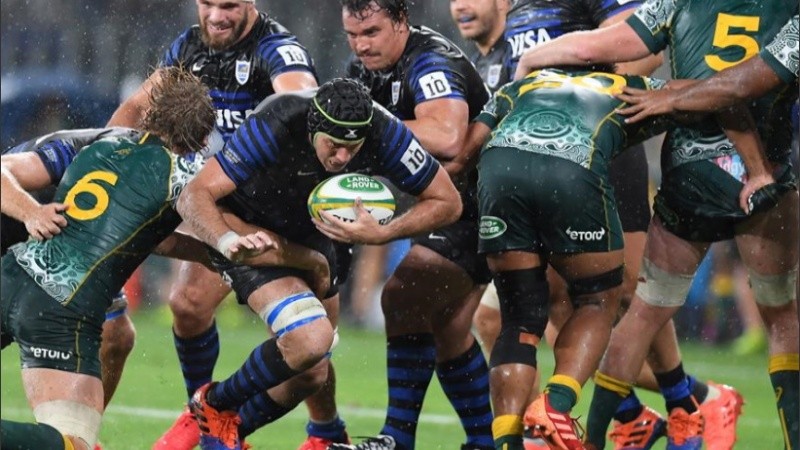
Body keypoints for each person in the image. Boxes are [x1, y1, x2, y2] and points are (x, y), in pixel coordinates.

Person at [514, 3, 799, 449]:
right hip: (763, 177)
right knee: (782, 314)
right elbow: (749, 80)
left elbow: (604, 43)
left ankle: (596, 442)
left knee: (644, 311)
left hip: (692, 172)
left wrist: (539, 55)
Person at [174, 77, 461, 450]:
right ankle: (212, 405)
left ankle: (241, 431)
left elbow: (448, 202)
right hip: (251, 232)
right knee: (309, 339)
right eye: (334, 146)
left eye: (352, 148)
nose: (343, 158)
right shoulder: (277, 121)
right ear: (313, 128)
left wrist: (383, 233)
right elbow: (195, 195)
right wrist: (228, 241)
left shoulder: (383, 131)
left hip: (317, 237)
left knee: (311, 372)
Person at [105, 1, 341, 449]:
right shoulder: (189, 48)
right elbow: (137, 106)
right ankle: (208, 422)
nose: (216, 16)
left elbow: (303, 100)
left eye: (229, 5)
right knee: (188, 304)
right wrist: (105, 163)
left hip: (292, 218)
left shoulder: (277, 50)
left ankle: (326, 430)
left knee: (313, 364)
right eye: (207, 4)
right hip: (229, 209)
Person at [0, 67, 216, 450]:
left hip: (11, 272)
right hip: (58, 310)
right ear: (201, 139)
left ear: (148, 115)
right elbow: (214, 225)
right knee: (73, 445)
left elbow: (159, 241)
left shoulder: (99, 139)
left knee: (119, 334)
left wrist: (33, 213)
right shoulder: (187, 174)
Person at [332, 1, 495, 449]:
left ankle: (398, 438)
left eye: (371, 32)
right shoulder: (366, 70)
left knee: (404, 294)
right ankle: (487, 442)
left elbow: (447, 136)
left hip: (485, 200)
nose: (361, 46)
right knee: (450, 329)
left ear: (401, 22)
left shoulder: (430, 60)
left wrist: (368, 123)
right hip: (456, 200)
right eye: (352, 34)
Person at [1, 128, 145, 422]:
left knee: (117, 335)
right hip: (18, 222)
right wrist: (32, 212)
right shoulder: (81, 148)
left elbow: (163, 240)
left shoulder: (159, 169)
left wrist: (221, 247)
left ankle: (77, 436)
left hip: (59, 243)